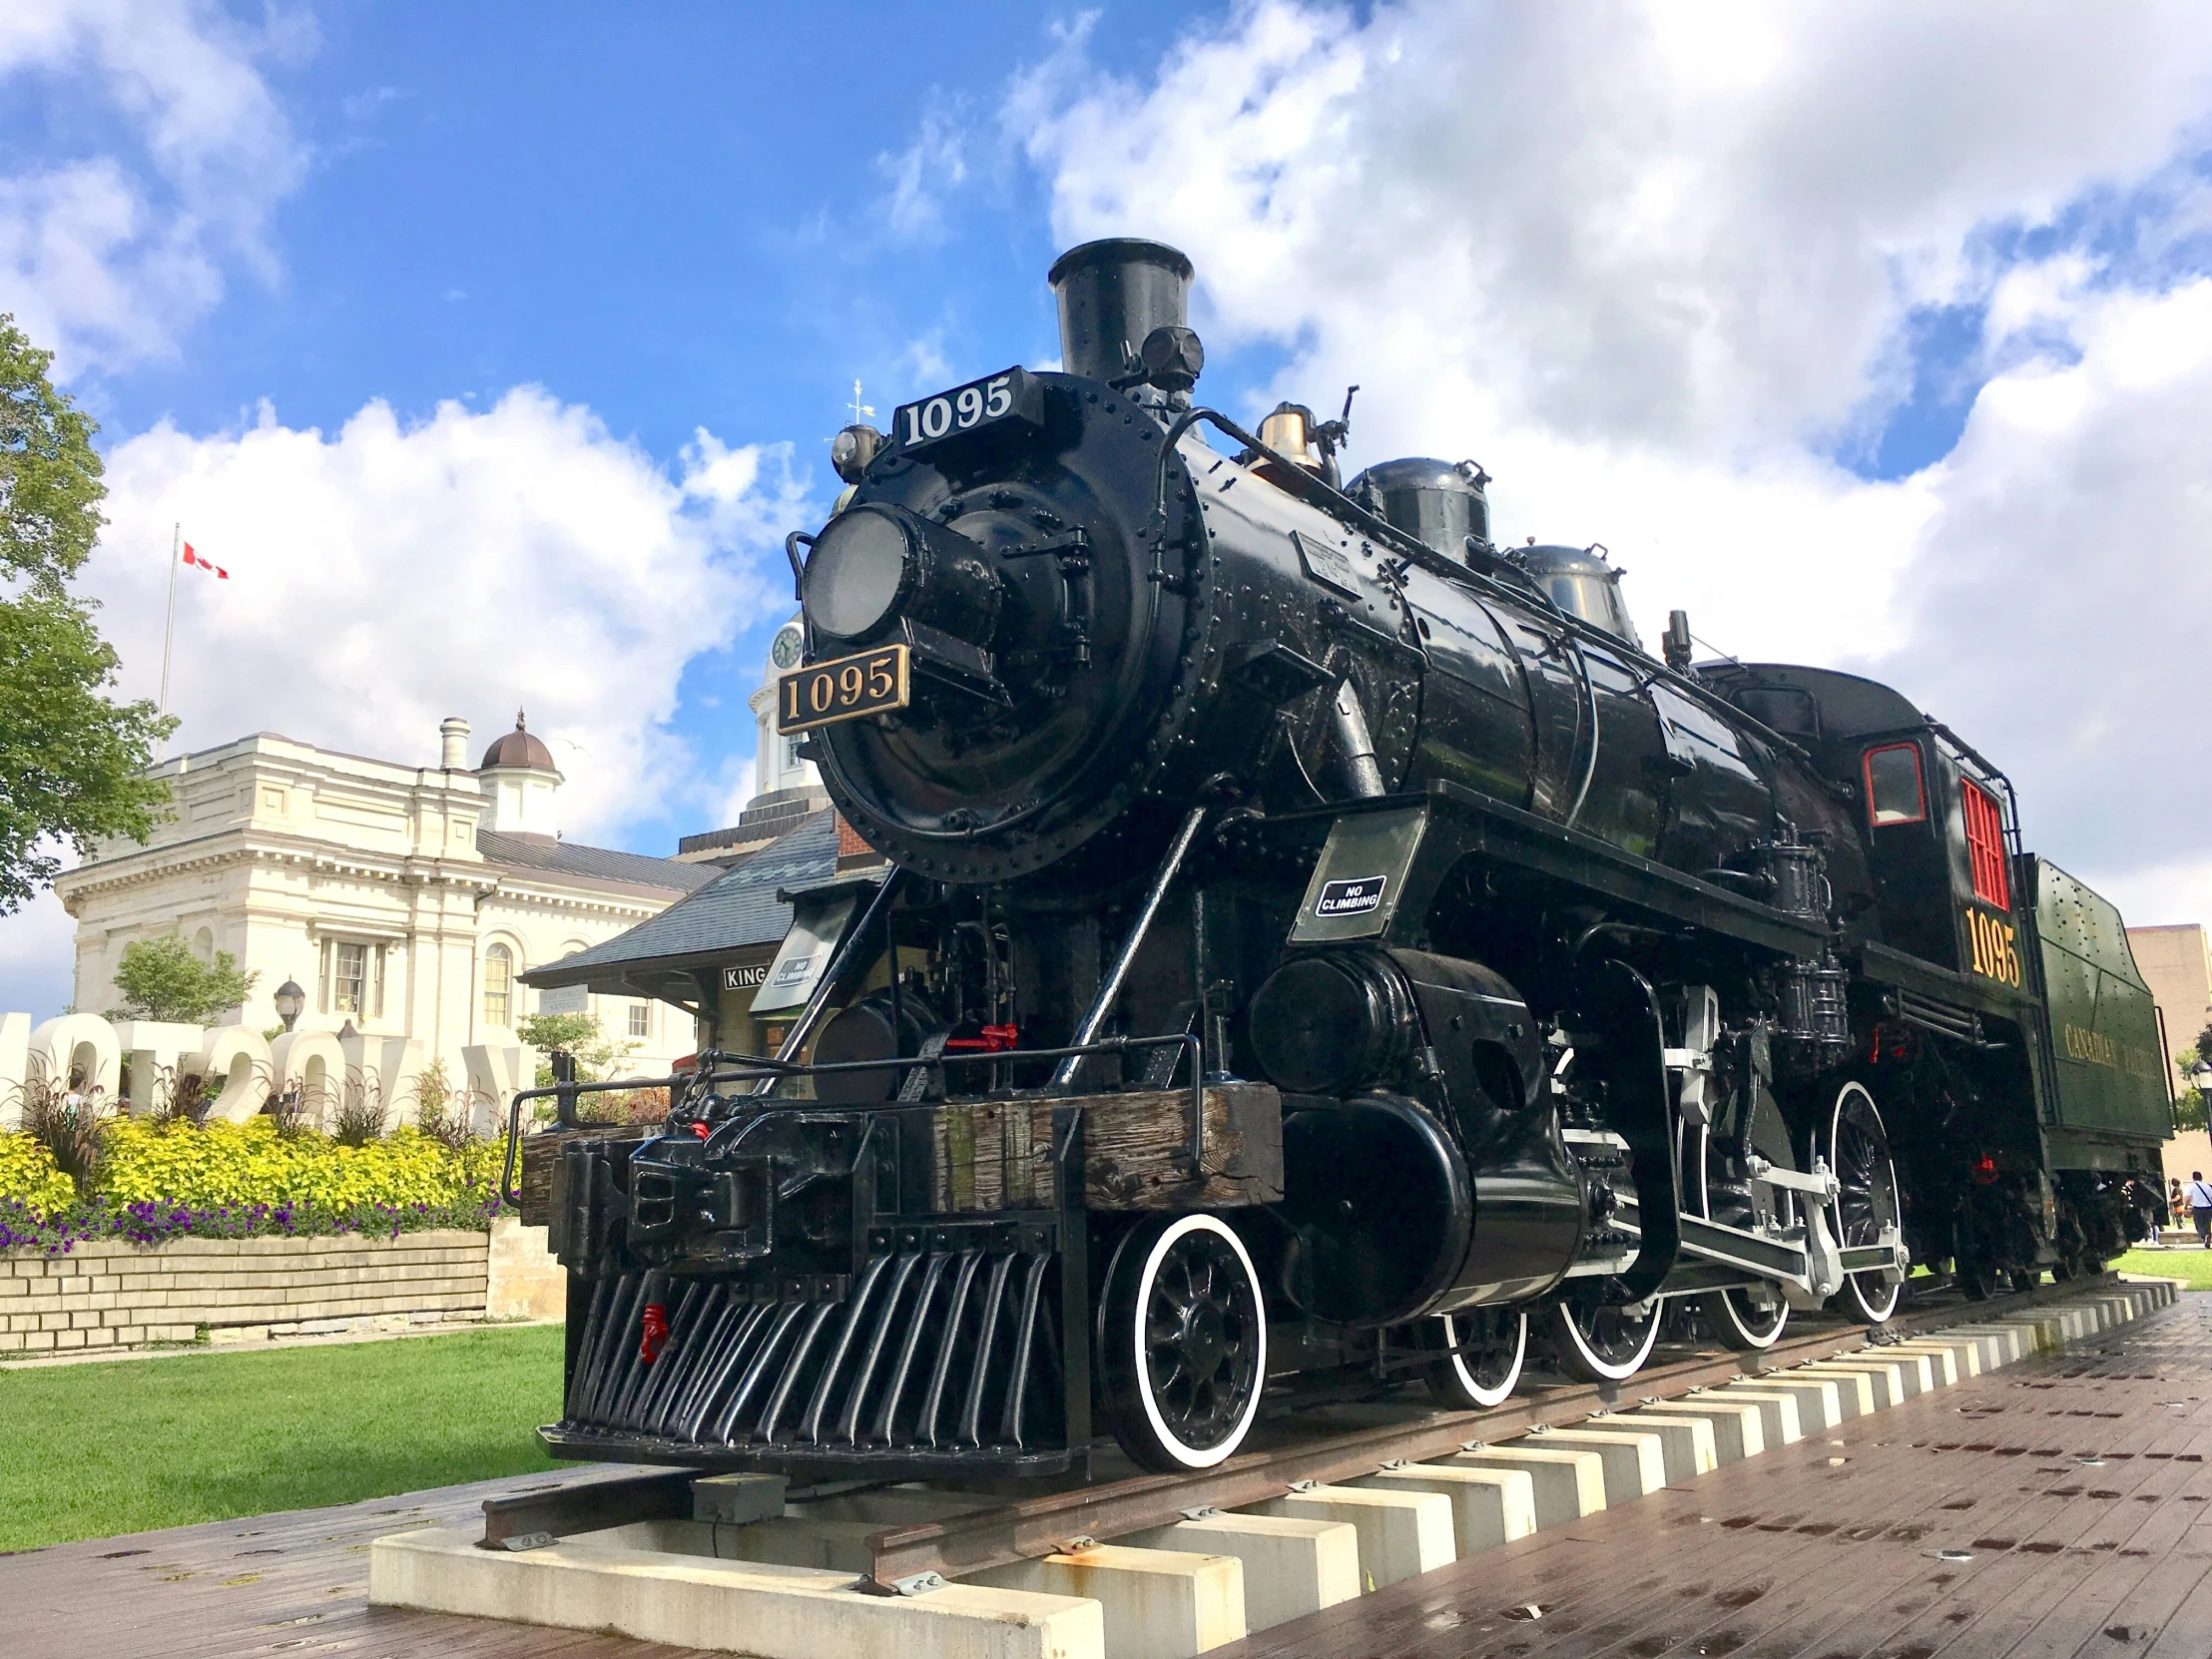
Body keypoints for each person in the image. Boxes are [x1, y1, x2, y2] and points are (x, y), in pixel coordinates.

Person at [2188, 1171, 2212, 1249]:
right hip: (2209, 1208)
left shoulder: (2192, 1186)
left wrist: (2185, 1206)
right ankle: (2207, 1236)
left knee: (2199, 1224)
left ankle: (2204, 1236)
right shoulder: (2208, 1186)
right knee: (2207, 1224)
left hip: (2198, 1208)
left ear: (2193, 1178)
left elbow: (2187, 1197)